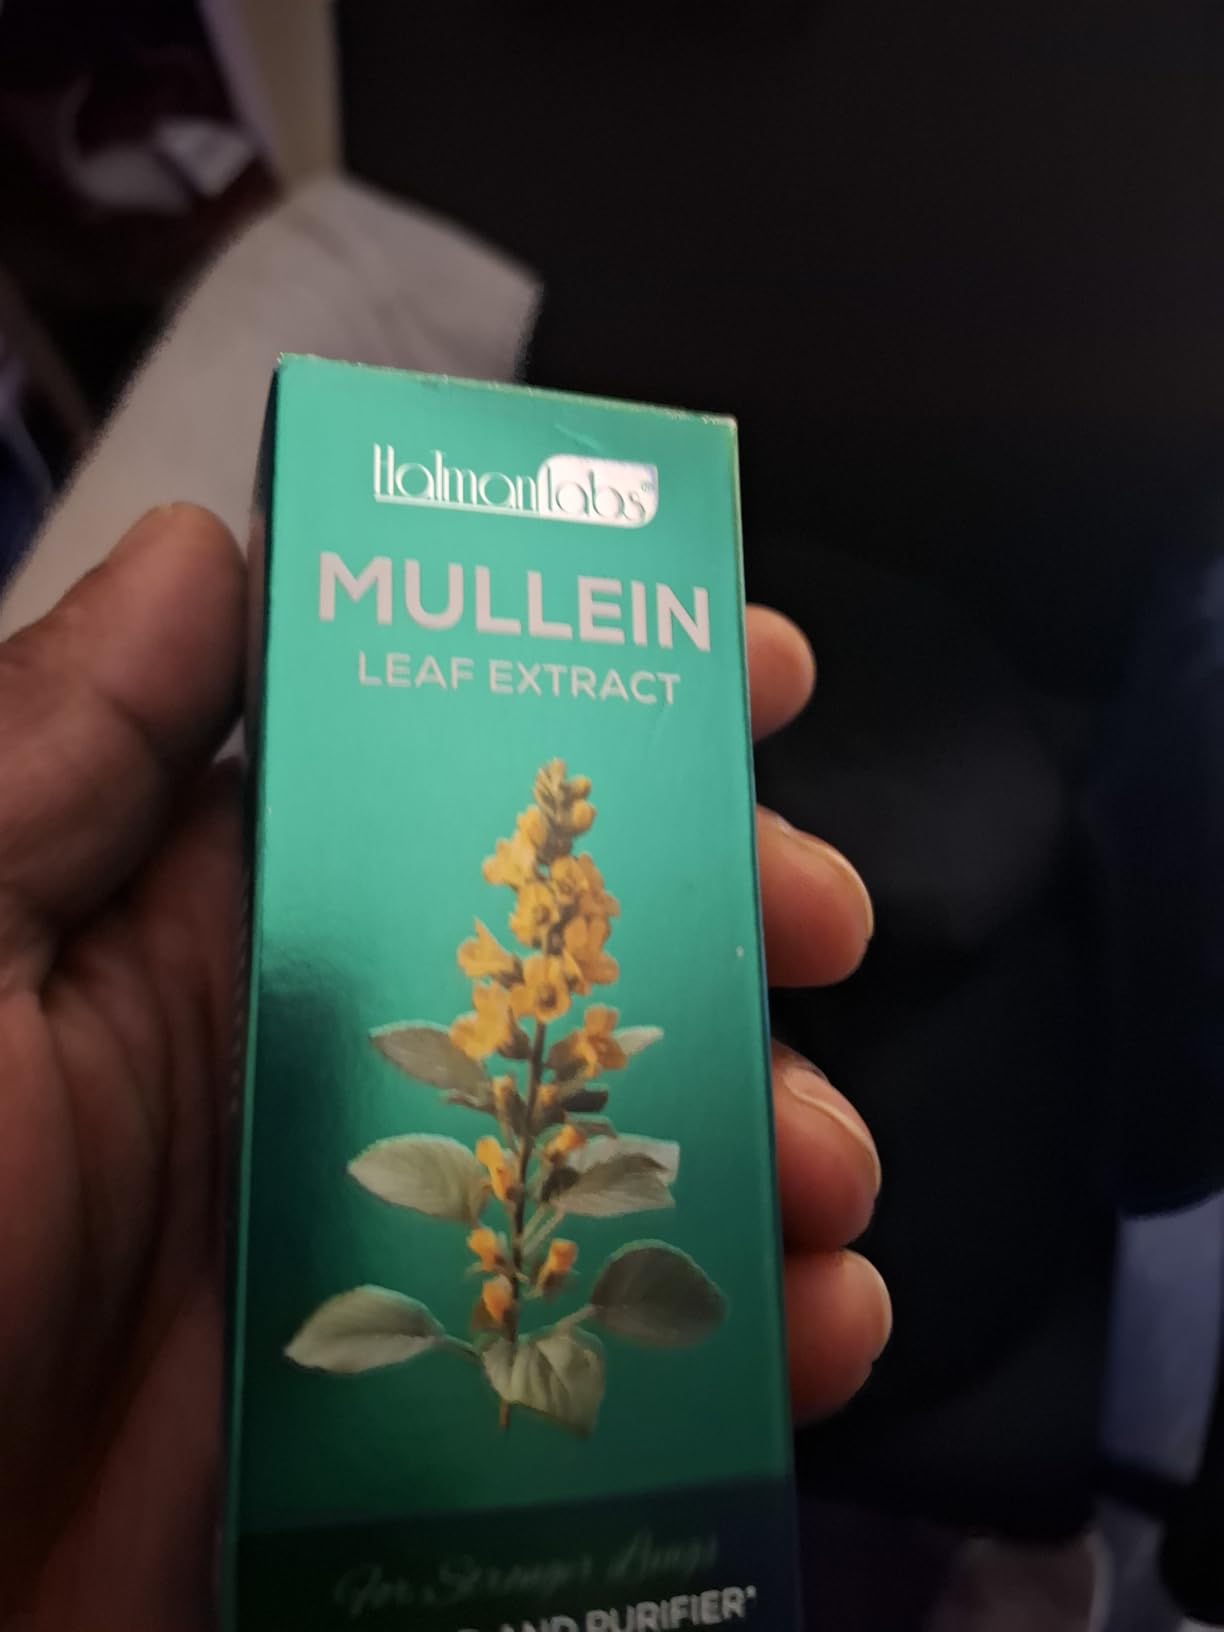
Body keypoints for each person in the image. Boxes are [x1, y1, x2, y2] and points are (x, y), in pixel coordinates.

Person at [0, 502, 887, 1631]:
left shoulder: (569, 958)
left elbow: (570, 1002)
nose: (551, 894)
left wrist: (563, 1032)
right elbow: (512, 993)